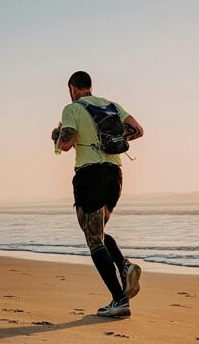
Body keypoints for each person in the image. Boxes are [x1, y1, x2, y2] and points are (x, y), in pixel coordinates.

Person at [51, 71, 144, 318]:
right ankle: (124, 266)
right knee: (98, 230)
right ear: (90, 87)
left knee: (93, 239)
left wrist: (57, 136)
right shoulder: (112, 106)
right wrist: (114, 139)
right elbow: (137, 130)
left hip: (90, 175)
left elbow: (66, 143)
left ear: (72, 88)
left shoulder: (71, 109)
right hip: (115, 175)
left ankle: (119, 299)